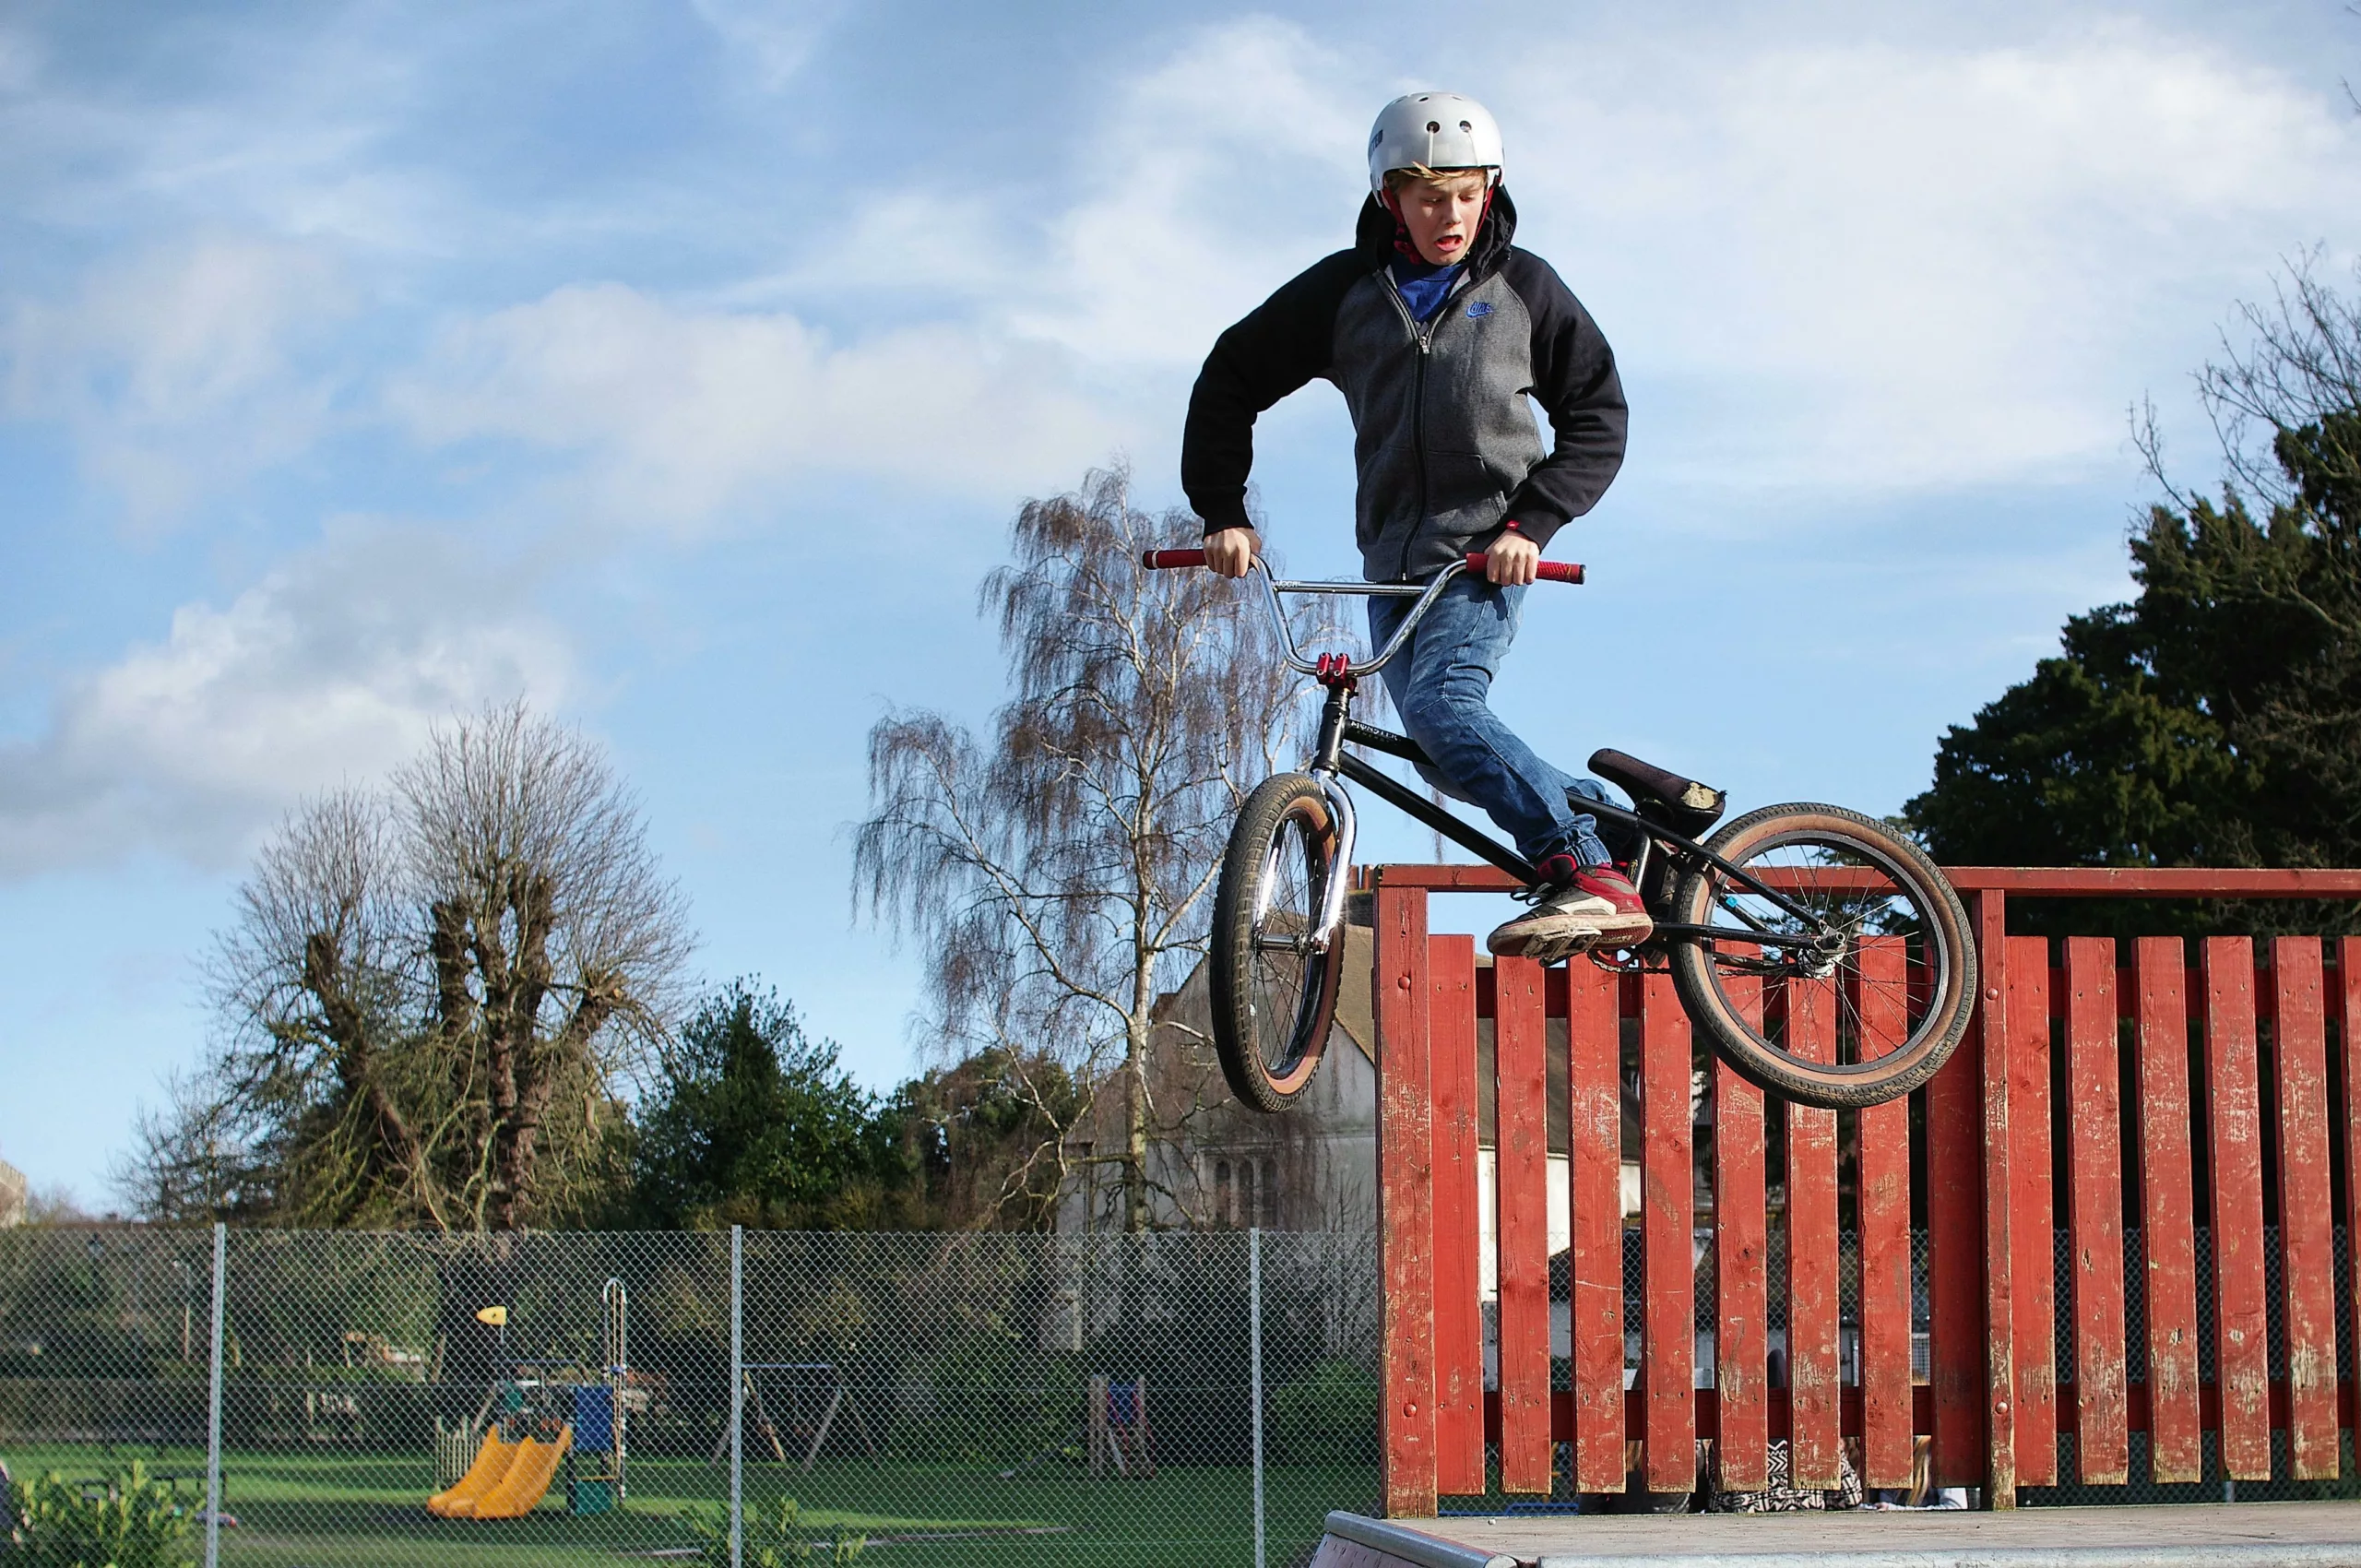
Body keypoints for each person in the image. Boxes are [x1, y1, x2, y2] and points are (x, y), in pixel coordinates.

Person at [1181, 91, 1644, 956]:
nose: (1453, 216)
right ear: (1389, 195)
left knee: (1440, 707)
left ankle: (1582, 866)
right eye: (1432, 197)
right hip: (1392, 568)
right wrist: (1223, 511)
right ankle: (1622, 832)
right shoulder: (1346, 294)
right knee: (1446, 751)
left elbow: (1599, 416)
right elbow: (1230, 376)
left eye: (1470, 194)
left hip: (1480, 561)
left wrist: (1530, 526)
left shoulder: (1525, 289)